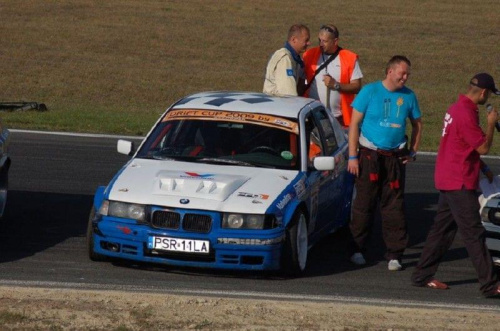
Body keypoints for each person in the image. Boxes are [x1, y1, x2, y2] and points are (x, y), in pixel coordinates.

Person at [411, 73, 500, 298]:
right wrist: (491, 125)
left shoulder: (456, 108)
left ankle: (422, 274)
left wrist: (482, 167)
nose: (488, 98)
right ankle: (490, 284)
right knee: (474, 233)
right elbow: (482, 147)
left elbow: (460, 144)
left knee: (442, 230)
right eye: (489, 94)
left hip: (449, 176)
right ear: (482, 93)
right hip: (459, 181)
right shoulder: (466, 115)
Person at [347, 55, 422, 271]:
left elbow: (417, 124)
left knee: (394, 207)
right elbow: (354, 124)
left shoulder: (409, 96)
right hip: (369, 156)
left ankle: (395, 254)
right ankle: (357, 249)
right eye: (402, 73)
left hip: (395, 159)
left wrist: (413, 151)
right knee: (364, 204)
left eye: (408, 74)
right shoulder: (369, 91)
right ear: (390, 71)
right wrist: (353, 157)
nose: (405, 78)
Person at [303, 24, 362, 127]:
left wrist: (336, 85)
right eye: (319, 40)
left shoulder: (349, 58)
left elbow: (357, 86)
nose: (321, 44)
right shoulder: (309, 55)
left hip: (338, 118)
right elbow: (303, 80)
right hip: (312, 114)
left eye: (325, 41)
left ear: (335, 41)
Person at [263, 24, 310, 97]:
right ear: (294, 39)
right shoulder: (285, 59)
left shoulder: (295, 59)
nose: (308, 43)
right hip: (278, 106)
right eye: (306, 40)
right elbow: (288, 94)